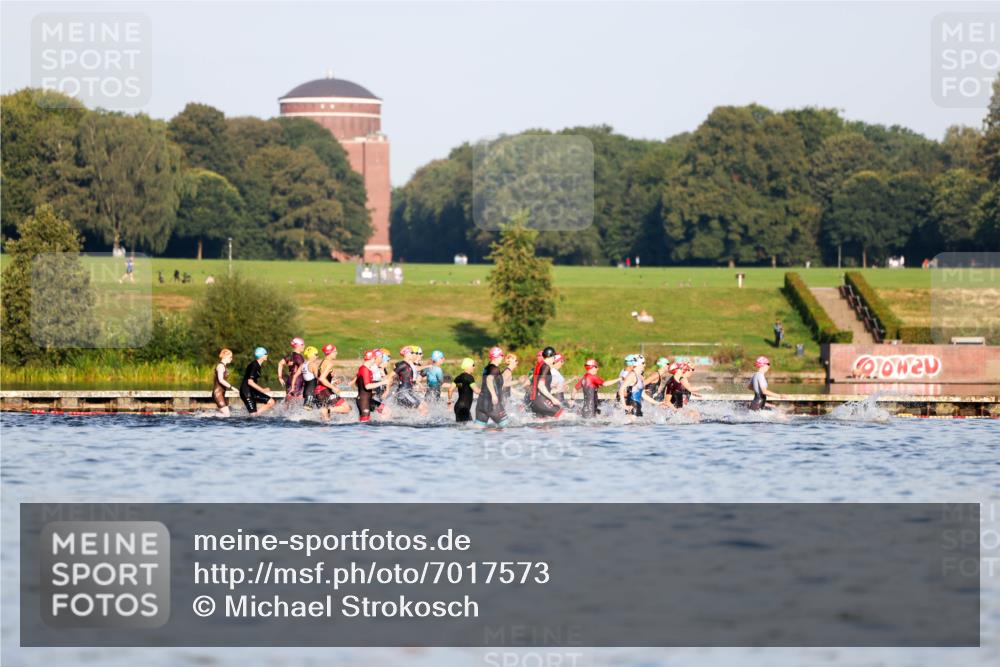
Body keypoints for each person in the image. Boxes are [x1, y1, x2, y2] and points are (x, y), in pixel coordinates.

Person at [314, 343, 351, 419]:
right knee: (346, 408)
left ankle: (326, 412)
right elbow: (321, 378)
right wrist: (334, 388)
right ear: (330, 353)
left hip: (319, 391)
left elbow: (320, 379)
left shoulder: (323, 361)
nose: (336, 353)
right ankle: (327, 410)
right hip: (323, 391)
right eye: (335, 351)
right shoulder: (329, 363)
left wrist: (333, 382)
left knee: (326, 419)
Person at [475, 347, 510, 427]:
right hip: (492, 404)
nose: (502, 357)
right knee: (508, 428)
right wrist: (494, 395)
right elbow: (489, 379)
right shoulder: (495, 368)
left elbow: (497, 382)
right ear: (497, 356)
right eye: (502, 355)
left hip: (481, 404)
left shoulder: (487, 368)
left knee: (477, 430)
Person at [528, 347, 564, 418]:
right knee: (563, 415)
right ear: (552, 356)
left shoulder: (538, 365)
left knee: (543, 426)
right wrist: (552, 399)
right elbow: (540, 386)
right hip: (541, 400)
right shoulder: (546, 367)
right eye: (554, 357)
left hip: (534, 401)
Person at [239, 347, 277, 416]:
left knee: (271, 402)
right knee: (252, 416)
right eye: (266, 354)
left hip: (252, 391)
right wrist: (262, 390)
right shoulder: (254, 365)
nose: (267, 355)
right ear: (261, 355)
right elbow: (250, 382)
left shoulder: (257, 365)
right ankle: (254, 416)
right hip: (246, 392)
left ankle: (257, 415)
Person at [356, 350, 388, 422]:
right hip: (363, 401)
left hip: (368, 399)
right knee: (364, 425)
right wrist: (382, 382)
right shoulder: (364, 369)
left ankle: (379, 430)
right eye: (374, 358)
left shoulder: (367, 369)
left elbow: (357, 383)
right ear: (372, 359)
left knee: (386, 411)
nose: (375, 360)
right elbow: (367, 386)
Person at [392, 345, 426, 412]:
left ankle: (416, 421)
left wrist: (419, 384)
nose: (417, 355)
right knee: (422, 408)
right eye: (415, 353)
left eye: (418, 353)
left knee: (423, 407)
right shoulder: (403, 364)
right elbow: (392, 376)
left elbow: (413, 377)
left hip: (409, 391)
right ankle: (420, 422)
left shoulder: (411, 364)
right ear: (407, 354)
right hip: (404, 392)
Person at [448, 357, 479, 423]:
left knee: (460, 428)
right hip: (464, 408)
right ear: (469, 366)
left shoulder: (458, 377)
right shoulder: (469, 377)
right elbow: (476, 391)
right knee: (469, 427)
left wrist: (450, 400)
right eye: (473, 365)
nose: (474, 367)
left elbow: (450, 389)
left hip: (457, 407)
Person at [277, 337, 306, 401]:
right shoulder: (299, 357)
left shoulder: (290, 355)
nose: (304, 346)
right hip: (297, 381)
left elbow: (280, 363)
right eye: (302, 344)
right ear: (297, 346)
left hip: (290, 380)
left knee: (288, 403)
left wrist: (280, 377)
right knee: (297, 402)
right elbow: (303, 369)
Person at [212, 348, 235, 417]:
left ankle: (203, 415)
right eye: (230, 357)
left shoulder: (224, 366)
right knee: (226, 414)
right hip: (218, 393)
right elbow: (221, 380)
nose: (231, 359)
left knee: (226, 414)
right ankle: (202, 415)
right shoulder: (220, 366)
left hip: (221, 393)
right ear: (225, 356)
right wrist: (232, 387)